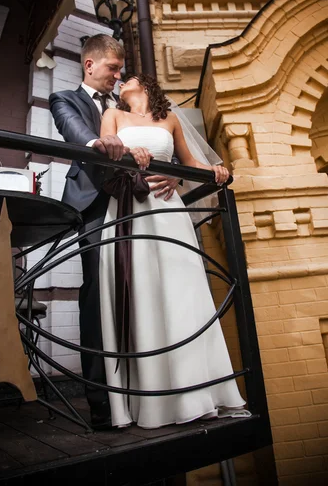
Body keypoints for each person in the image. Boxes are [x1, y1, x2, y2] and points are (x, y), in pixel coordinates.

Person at [98, 74, 247, 429]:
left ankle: (197, 392)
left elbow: (190, 163)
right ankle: (156, 400)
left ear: (146, 86)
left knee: (183, 295)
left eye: (128, 76)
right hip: (130, 210)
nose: (120, 81)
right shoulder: (112, 114)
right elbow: (105, 147)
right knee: (144, 294)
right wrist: (127, 154)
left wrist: (214, 171)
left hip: (169, 212)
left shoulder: (170, 120)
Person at [49, 35, 179, 430]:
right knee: (95, 298)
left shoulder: (129, 107)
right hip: (94, 206)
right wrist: (99, 141)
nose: (119, 76)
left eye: (122, 71)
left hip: (139, 204)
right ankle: (102, 406)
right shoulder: (65, 99)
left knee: (147, 291)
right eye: (112, 68)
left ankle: (150, 390)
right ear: (90, 65)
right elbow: (74, 129)